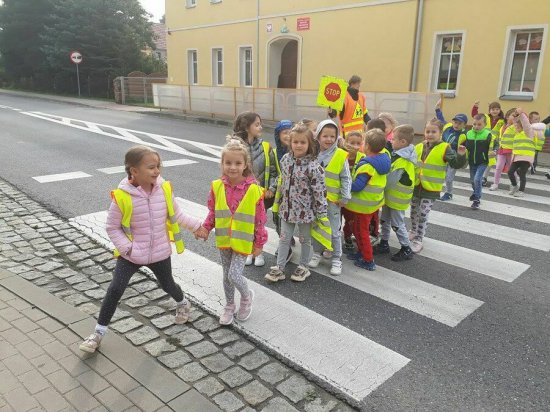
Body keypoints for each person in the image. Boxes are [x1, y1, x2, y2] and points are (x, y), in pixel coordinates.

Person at [79, 146, 206, 353]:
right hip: (131, 255)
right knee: (115, 290)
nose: (157, 171)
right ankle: (98, 334)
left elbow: (177, 215)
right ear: (134, 171)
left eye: (158, 166)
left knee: (168, 285)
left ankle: (183, 303)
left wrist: (198, 227)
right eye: (151, 167)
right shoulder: (122, 196)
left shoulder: (164, 189)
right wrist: (127, 248)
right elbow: (112, 227)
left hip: (159, 252)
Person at [202, 138, 267, 325]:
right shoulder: (217, 186)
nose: (232, 167)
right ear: (222, 164)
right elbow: (214, 212)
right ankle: (229, 305)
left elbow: (260, 219)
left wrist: (259, 243)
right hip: (224, 239)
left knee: (234, 274)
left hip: (243, 241)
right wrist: (206, 228)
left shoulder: (254, 190)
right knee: (226, 275)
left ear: (245, 164)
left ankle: (246, 297)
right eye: (228, 162)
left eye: (238, 163)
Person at [265, 124, 328, 283]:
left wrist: (321, 213)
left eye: (302, 142)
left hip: (306, 212)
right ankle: (279, 268)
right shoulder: (285, 160)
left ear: (309, 144)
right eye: (295, 142)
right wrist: (275, 194)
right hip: (287, 209)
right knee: (284, 239)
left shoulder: (314, 167)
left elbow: (320, 192)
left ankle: (303, 267)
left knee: (305, 240)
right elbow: (282, 180)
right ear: (290, 143)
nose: (298, 145)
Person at [410, 120, 467, 253]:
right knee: (413, 211)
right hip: (416, 186)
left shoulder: (445, 147)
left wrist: (461, 155)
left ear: (440, 133)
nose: (430, 134)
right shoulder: (419, 146)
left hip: (431, 188)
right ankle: (413, 230)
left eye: (433, 132)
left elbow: (456, 164)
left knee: (423, 213)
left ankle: (419, 239)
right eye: (427, 131)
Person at [232, 111, 278, 267]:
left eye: (260, 124)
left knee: (259, 224)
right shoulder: (234, 147)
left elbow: (273, 170)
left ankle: (259, 252)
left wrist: (271, 188)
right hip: (240, 195)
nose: (261, 127)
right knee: (245, 224)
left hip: (260, 195)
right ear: (246, 127)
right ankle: (247, 251)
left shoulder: (265, 146)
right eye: (257, 124)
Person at [308, 119, 352, 276]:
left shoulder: (340, 155)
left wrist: (345, 196)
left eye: (332, 136)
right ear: (318, 136)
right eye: (325, 135)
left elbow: (346, 178)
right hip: (314, 202)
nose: (328, 139)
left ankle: (336, 259)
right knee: (316, 228)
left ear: (337, 137)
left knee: (334, 231)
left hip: (333, 202)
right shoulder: (312, 154)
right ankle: (317, 253)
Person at [345, 128, 391, 271]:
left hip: (362, 206)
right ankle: (361, 252)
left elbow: (358, 186)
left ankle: (367, 259)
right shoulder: (383, 160)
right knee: (362, 231)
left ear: (368, 147)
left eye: (363, 142)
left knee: (361, 232)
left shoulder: (367, 165)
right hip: (373, 204)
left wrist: (345, 184)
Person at [373, 125, 417, 261]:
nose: (391, 141)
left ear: (403, 142)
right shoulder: (397, 155)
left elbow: (390, 181)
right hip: (390, 197)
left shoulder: (403, 161)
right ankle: (384, 243)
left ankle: (406, 248)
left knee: (397, 223)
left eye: (393, 139)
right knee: (384, 220)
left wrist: (376, 186)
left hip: (397, 199)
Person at [435, 99, 467, 201]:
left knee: (449, 178)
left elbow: (466, 149)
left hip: (453, 158)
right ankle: (436, 191)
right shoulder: (447, 127)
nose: (456, 125)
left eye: (459, 123)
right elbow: (441, 119)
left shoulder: (464, 135)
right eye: (455, 122)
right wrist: (437, 109)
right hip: (443, 156)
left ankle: (448, 193)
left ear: (464, 125)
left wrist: (462, 160)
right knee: (440, 175)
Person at [273, 120, 295, 263]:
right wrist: (272, 186)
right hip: (281, 194)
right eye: (284, 132)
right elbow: (274, 172)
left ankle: (285, 247)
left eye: (290, 132)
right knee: (278, 219)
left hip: (298, 192)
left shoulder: (300, 149)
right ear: (278, 135)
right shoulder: (274, 153)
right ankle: (286, 242)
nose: (288, 135)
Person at [365, 118, 389, 245]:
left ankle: (373, 234)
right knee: (374, 215)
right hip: (377, 195)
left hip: (370, 195)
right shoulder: (384, 153)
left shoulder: (371, 158)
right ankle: (374, 234)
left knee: (372, 216)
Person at [463, 114, 494, 210]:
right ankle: (476, 193)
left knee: (477, 179)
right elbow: (465, 145)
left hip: (483, 161)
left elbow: (495, 144)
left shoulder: (488, 134)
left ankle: (477, 199)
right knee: (473, 181)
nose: (476, 126)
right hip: (472, 161)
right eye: (474, 124)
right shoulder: (469, 134)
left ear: (485, 124)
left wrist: (495, 150)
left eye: (479, 124)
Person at [472, 101, 505, 187]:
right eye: (493, 109)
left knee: (489, 161)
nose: (495, 111)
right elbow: (475, 116)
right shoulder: (485, 117)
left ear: (500, 110)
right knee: (482, 159)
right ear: (489, 110)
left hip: (494, 143)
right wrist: (475, 107)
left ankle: (484, 177)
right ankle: (478, 175)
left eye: (497, 109)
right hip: (484, 141)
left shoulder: (502, 120)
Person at [342, 131, 364, 251]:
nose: (355, 146)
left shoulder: (362, 157)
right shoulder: (340, 155)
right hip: (339, 195)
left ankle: (347, 236)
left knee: (350, 220)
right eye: (352, 143)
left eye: (358, 143)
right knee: (335, 219)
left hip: (353, 196)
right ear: (345, 143)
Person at [508, 108, 535, 197]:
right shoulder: (517, 134)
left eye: (518, 127)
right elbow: (516, 122)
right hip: (517, 157)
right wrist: (516, 116)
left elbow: (525, 123)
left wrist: (522, 113)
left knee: (522, 173)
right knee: (510, 172)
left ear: (523, 127)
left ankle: (521, 191)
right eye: (516, 127)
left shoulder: (528, 132)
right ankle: (515, 186)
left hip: (526, 158)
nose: (516, 128)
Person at [490, 108, 517, 191]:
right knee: (498, 167)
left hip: (511, 150)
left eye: (515, 116)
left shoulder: (516, 127)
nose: (513, 117)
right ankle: (495, 184)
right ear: (507, 116)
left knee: (511, 168)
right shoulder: (503, 126)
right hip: (501, 149)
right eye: (512, 115)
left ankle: (515, 184)